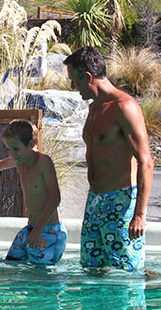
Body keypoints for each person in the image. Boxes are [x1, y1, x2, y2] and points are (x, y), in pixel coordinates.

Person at [63, 46, 154, 271]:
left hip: (120, 201)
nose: (73, 87)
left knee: (126, 273)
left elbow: (146, 161)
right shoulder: (94, 108)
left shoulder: (125, 107)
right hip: (94, 201)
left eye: (74, 81)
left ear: (87, 77)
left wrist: (139, 215)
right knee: (91, 271)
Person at [0, 119, 65, 265]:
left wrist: (38, 230)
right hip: (30, 229)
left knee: (38, 277)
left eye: (15, 149)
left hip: (49, 232)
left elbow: (55, 198)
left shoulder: (43, 162)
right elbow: (0, 165)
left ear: (31, 145)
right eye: (9, 149)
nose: (12, 153)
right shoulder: (19, 161)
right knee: (11, 264)